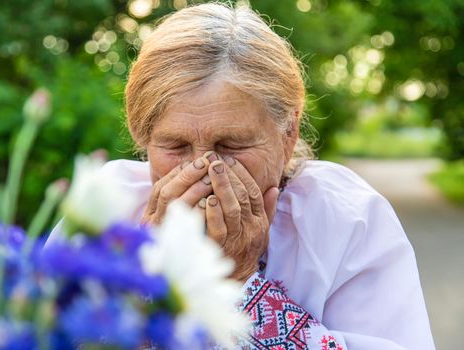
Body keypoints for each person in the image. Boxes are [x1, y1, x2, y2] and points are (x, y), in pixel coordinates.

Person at [51, 3, 435, 349]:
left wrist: (241, 280)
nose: (203, 170)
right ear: (144, 140)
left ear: (288, 135)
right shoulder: (107, 206)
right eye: (176, 146)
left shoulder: (346, 216)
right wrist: (146, 277)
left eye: (231, 145)